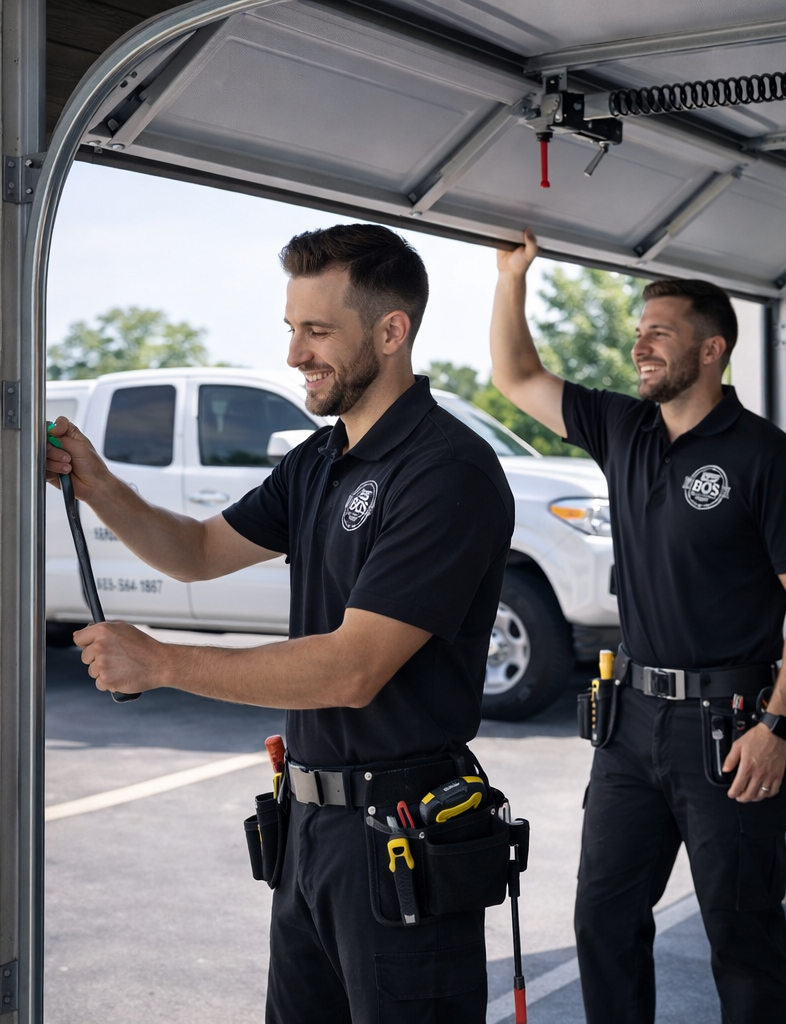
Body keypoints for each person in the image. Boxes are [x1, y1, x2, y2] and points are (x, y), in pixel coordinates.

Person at [46, 223, 515, 1024]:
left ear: (392, 331)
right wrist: (99, 485)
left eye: (318, 331)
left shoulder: (447, 471)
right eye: (292, 330)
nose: (296, 353)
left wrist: (162, 662)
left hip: (402, 831)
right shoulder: (319, 458)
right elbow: (196, 551)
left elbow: (352, 667)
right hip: (310, 830)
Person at [489, 230, 786, 1024]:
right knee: (603, 921)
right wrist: (513, 278)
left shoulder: (770, 460)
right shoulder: (625, 430)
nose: (638, 345)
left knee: (741, 935)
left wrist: (778, 726)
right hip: (629, 723)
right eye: (639, 331)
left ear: (712, 350)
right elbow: (516, 375)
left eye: (659, 333)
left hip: (732, 729)